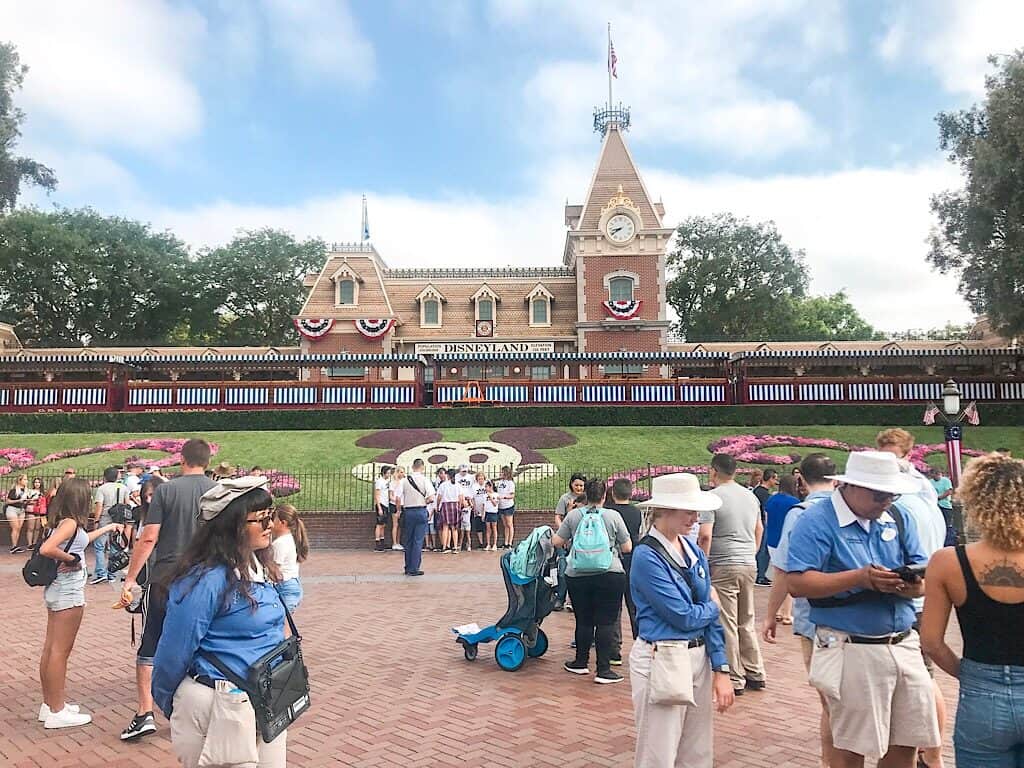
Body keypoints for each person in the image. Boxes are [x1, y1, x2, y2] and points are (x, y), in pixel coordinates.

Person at [787, 450, 939, 767]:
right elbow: (798, 583)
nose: (886, 501)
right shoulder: (815, 520)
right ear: (851, 487)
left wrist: (913, 586)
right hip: (850, 645)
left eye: (892, 494)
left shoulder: (898, 516)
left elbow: (923, 578)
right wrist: (859, 579)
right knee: (849, 749)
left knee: (907, 742)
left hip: (903, 641)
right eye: (879, 494)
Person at [152, 476, 289, 766]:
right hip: (221, 701)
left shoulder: (257, 566)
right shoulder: (207, 580)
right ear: (232, 526)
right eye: (260, 519)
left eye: (270, 516)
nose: (270, 525)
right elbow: (175, 647)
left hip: (266, 698)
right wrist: (170, 701)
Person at [921, 453, 1024, 767]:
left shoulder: (947, 562)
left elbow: (931, 642)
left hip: (982, 696)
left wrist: (970, 674)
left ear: (975, 500)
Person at [631, 473, 735, 767]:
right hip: (663, 656)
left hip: (696, 657)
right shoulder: (646, 556)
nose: (695, 517)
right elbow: (683, 615)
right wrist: (713, 607)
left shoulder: (692, 551)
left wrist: (721, 667)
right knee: (658, 752)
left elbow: (701, 615)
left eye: (696, 510)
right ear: (665, 509)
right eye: (688, 510)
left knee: (697, 752)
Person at [117, 438, 215, 742]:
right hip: (208, 577)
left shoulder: (167, 490)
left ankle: (145, 712)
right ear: (208, 462)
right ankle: (204, 711)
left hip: (167, 576)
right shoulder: (219, 492)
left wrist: (130, 578)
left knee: (152, 643)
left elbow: (148, 538)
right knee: (206, 641)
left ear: (182, 460)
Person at [877, 432, 950, 768]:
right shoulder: (924, 495)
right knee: (922, 678)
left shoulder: (900, 506)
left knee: (921, 681)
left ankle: (931, 754)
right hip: (926, 592)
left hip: (912, 597)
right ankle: (927, 752)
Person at [761, 453, 837, 768]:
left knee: (830, 703)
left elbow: (782, 570)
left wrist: (770, 615)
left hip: (814, 619)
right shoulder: (853, 508)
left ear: (801, 481)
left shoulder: (801, 513)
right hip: (860, 617)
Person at [37, 478, 122, 728]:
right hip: (68, 589)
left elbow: (80, 539)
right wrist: (71, 559)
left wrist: (106, 529)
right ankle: (56, 709)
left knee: (51, 648)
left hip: (57, 589)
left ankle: (49, 703)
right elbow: (47, 549)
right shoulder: (71, 522)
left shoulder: (63, 522)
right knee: (60, 651)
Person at [698, 453, 766, 696]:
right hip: (748, 562)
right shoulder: (750, 496)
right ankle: (755, 671)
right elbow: (759, 528)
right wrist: (752, 552)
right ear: (735, 471)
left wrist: (702, 562)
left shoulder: (712, 498)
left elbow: (705, 534)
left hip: (723, 563)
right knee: (746, 620)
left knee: (726, 621)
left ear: (714, 472)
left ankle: (735, 677)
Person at [553, 478, 632, 684]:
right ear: (605, 495)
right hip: (610, 573)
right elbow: (627, 547)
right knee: (606, 621)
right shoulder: (613, 516)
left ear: (586, 494)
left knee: (584, 619)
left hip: (578, 575)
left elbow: (557, 541)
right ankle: (604, 670)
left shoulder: (573, 516)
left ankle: (580, 662)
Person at [605, 477, 643, 657]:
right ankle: (641, 644)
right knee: (634, 606)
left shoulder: (607, 512)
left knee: (614, 607)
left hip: (612, 561)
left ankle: (614, 651)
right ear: (632, 493)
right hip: (633, 562)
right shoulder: (637, 512)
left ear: (613, 493)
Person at [764, 474, 801, 624]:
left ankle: (778, 611)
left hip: (771, 540)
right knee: (789, 576)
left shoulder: (771, 499)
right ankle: (786, 613)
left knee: (777, 575)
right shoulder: (794, 502)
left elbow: (766, 518)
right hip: (786, 541)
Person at [394, 458, 435, 576]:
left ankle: (407, 567)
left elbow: (397, 497)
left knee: (408, 540)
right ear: (422, 467)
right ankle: (414, 568)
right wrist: (424, 501)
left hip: (408, 511)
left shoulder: (404, 481)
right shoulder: (425, 480)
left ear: (412, 467)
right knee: (418, 541)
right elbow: (432, 497)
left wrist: (398, 510)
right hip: (420, 510)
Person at [553, 473, 587, 611]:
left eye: (581, 485)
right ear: (571, 484)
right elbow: (558, 517)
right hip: (565, 538)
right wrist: (563, 533)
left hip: (580, 539)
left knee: (578, 570)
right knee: (563, 568)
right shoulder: (565, 498)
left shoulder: (586, 499)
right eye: (576, 485)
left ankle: (574, 600)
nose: (578, 488)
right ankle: (560, 598)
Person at [89, 466, 124, 584]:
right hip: (118, 519)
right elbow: (127, 504)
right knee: (114, 546)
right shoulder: (123, 487)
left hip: (105, 518)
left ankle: (101, 573)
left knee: (99, 546)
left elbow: (99, 506)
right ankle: (112, 573)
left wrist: (96, 520)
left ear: (105, 477)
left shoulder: (102, 489)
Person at [271, 503, 308, 612]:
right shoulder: (290, 538)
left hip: (284, 587)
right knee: (285, 623)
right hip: (292, 584)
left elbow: (274, 570)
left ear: (283, 523)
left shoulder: (280, 543)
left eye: (273, 519)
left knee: (282, 623)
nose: (270, 523)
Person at [752, 469, 778, 586]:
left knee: (763, 550)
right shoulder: (763, 493)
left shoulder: (758, 491)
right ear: (770, 478)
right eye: (774, 478)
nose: (776, 481)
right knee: (762, 550)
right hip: (762, 522)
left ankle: (761, 574)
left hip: (759, 521)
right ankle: (760, 575)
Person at [927, 466, 956, 545]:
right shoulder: (930, 482)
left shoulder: (946, 481)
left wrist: (939, 498)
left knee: (948, 524)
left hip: (945, 505)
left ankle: (950, 541)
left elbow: (949, 491)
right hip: (935, 506)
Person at [436, 468, 460, 553]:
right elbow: (461, 497)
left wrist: (437, 506)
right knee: (454, 527)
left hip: (445, 505)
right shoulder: (457, 485)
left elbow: (439, 497)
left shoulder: (443, 485)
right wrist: (459, 506)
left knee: (445, 527)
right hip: (455, 504)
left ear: (448, 475)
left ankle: (444, 547)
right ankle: (455, 547)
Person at [6, 472, 30, 553]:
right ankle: (13, 546)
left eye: (27, 479)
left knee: (19, 528)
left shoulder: (26, 491)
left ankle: (15, 545)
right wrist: (18, 500)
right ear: (20, 481)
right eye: (25, 479)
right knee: (15, 527)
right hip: (12, 509)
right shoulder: (14, 490)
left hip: (21, 510)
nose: (27, 481)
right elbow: (8, 501)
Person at [373, 466, 393, 552]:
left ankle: (382, 541)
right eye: (388, 473)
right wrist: (379, 507)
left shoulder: (387, 482)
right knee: (379, 524)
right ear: (383, 473)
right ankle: (377, 543)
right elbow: (377, 495)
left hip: (386, 504)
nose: (389, 474)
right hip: (381, 504)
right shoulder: (379, 482)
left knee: (383, 525)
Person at [497, 465, 516, 548]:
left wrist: (504, 497)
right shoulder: (500, 482)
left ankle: (510, 542)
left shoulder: (510, 483)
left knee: (509, 524)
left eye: (502, 472)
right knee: (505, 524)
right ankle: (505, 542)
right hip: (501, 506)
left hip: (508, 505)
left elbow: (512, 495)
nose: (500, 473)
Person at [24, 476, 45, 549]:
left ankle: (35, 543)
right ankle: (29, 544)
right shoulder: (30, 491)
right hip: (31, 510)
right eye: (35, 482)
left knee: (37, 528)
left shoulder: (42, 492)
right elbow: (26, 500)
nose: (37, 484)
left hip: (39, 511)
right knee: (31, 528)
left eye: (38, 482)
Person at [388, 467, 404, 551]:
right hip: (394, 504)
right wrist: (396, 500)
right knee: (395, 524)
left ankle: (398, 542)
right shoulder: (393, 483)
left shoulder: (403, 482)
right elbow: (391, 496)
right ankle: (394, 543)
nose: (402, 474)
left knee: (400, 525)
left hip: (401, 504)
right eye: (401, 472)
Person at [482, 480, 499, 551]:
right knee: (488, 529)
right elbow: (484, 505)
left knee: (494, 528)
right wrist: (483, 514)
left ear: (490, 487)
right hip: (487, 513)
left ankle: (494, 544)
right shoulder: (484, 495)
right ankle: (488, 544)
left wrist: (491, 497)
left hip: (494, 513)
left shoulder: (496, 495)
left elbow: (495, 504)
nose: (485, 488)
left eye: (486, 486)